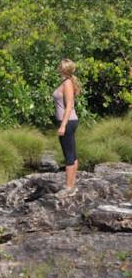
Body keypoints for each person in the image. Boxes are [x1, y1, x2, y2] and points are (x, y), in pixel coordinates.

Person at [53, 59, 80, 192]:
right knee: (72, 154)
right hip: (69, 121)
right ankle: (72, 185)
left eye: (60, 66)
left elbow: (69, 105)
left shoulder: (67, 83)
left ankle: (68, 188)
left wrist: (63, 125)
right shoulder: (65, 82)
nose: (58, 67)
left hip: (67, 121)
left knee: (69, 155)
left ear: (64, 69)